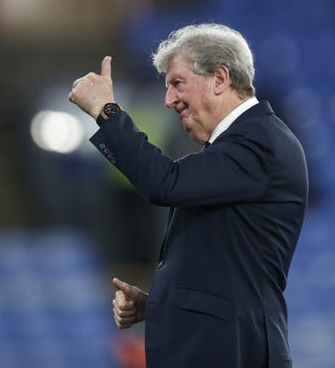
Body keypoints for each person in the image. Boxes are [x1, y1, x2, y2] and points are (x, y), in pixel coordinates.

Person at [68, 23, 308, 368]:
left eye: (177, 83)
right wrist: (158, 304)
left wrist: (107, 113)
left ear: (220, 78)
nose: (169, 101)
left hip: (232, 352)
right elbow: (228, 271)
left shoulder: (259, 142)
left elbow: (165, 183)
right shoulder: (242, 147)